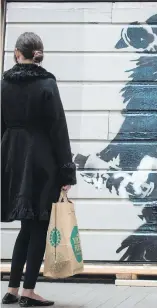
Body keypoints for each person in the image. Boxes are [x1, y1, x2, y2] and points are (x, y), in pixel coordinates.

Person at [1, 32, 76, 307]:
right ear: (39, 54)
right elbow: (58, 128)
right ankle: (29, 291)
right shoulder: (46, 83)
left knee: (26, 226)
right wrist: (66, 172)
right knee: (39, 226)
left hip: (12, 158)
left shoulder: (3, 84)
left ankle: (11, 288)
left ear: (17, 53)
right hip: (42, 160)